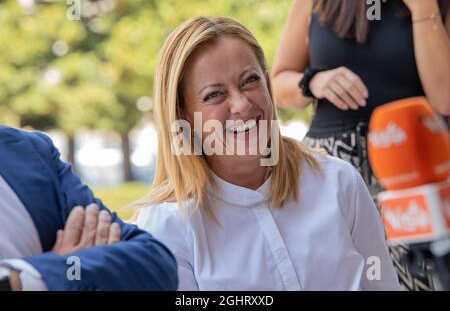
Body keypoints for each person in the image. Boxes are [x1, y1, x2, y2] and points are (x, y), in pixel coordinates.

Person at [136, 16, 401, 290]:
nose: (241, 104)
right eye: (214, 95)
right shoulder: (167, 226)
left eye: (250, 80)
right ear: (184, 116)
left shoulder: (339, 182)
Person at [271, 0, 450, 290]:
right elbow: (278, 83)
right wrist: (313, 81)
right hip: (329, 169)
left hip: (410, 174)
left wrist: (423, 6)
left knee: (425, 280)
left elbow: (444, 98)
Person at [0, 125, 178, 291]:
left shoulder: (26, 151)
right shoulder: (168, 217)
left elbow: (153, 264)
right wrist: (33, 279)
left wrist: (63, 271)